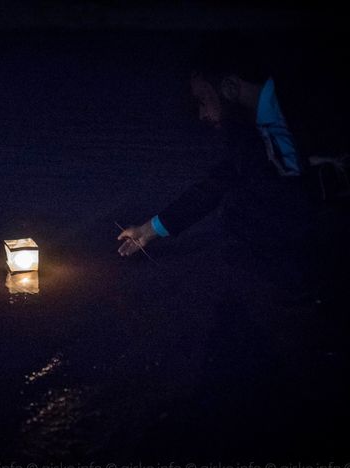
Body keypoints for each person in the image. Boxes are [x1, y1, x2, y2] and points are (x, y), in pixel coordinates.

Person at [117, 33, 349, 301]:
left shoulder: (313, 107)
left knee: (242, 210)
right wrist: (149, 229)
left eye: (203, 99)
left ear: (229, 86)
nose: (203, 114)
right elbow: (218, 181)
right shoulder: (251, 129)